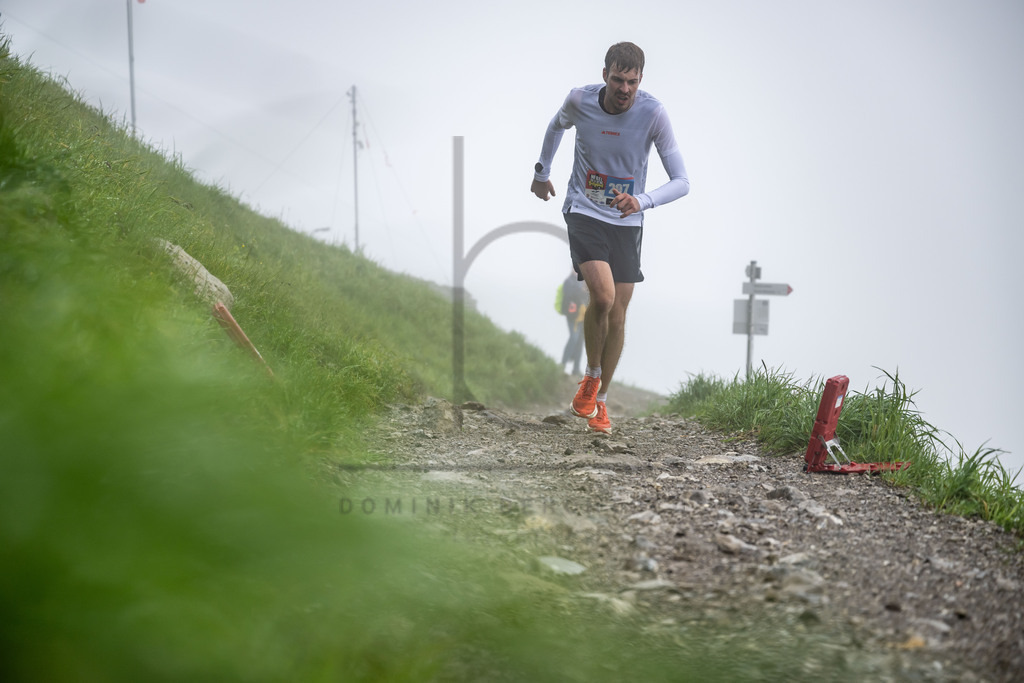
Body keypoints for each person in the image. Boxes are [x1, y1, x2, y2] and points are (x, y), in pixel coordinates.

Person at [531, 42, 690, 434]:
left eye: (632, 82)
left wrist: (642, 200)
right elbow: (555, 127)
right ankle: (591, 374)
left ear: (640, 81)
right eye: (618, 80)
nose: (624, 89)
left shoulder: (653, 114)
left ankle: (600, 401)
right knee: (602, 297)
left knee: (618, 315)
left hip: (627, 219)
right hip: (584, 209)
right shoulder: (579, 101)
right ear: (605, 75)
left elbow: (682, 182)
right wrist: (541, 171)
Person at [558, 271, 588, 375]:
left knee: (579, 342)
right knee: (573, 338)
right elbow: (570, 295)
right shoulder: (569, 281)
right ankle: (562, 364)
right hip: (572, 316)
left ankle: (576, 369)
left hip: (583, 317)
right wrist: (582, 290)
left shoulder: (584, 282)